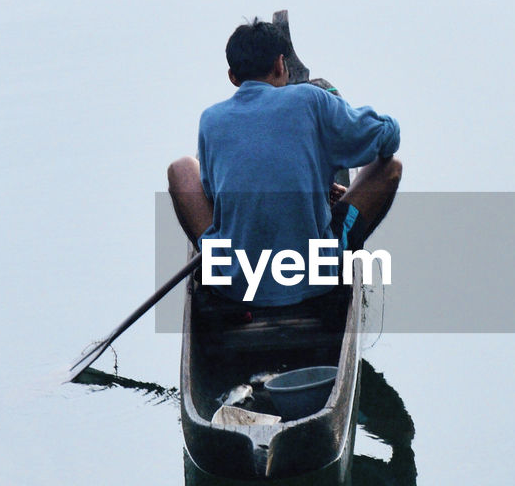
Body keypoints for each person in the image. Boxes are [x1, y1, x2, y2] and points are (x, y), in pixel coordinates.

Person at [168, 18, 401, 305]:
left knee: (181, 169)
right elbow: (386, 138)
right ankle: (339, 261)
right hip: (314, 279)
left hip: (237, 285)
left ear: (232, 76)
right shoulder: (311, 98)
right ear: (281, 65)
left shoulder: (210, 120)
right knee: (390, 168)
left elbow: (217, 197)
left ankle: (215, 268)